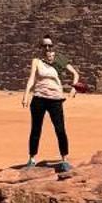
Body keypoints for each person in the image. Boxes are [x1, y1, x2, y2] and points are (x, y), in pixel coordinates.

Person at [17, 36, 79, 176]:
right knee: (35, 129)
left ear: (53, 46)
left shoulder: (59, 60)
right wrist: (26, 95)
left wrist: (74, 88)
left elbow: (75, 74)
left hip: (56, 99)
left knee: (60, 129)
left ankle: (64, 159)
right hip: (39, 98)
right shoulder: (37, 61)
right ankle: (32, 159)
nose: (47, 48)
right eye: (44, 46)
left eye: (49, 46)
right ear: (40, 47)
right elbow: (32, 78)